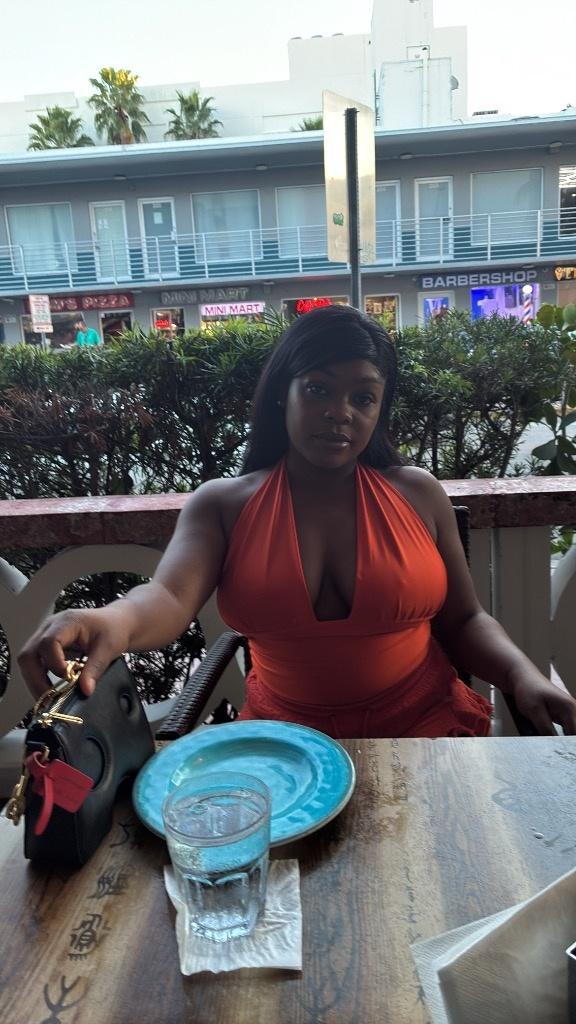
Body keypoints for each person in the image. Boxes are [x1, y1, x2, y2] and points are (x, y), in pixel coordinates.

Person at [18, 305, 576, 738]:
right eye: (318, 389)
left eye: (364, 397)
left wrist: (522, 674)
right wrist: (111, 619)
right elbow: (166, 597)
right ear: (280, 395)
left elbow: (466, 618)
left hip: (425, 729)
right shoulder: (222, 504)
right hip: (283, 742)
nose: (340, 412)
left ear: (379, 410)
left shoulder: (418, 494)